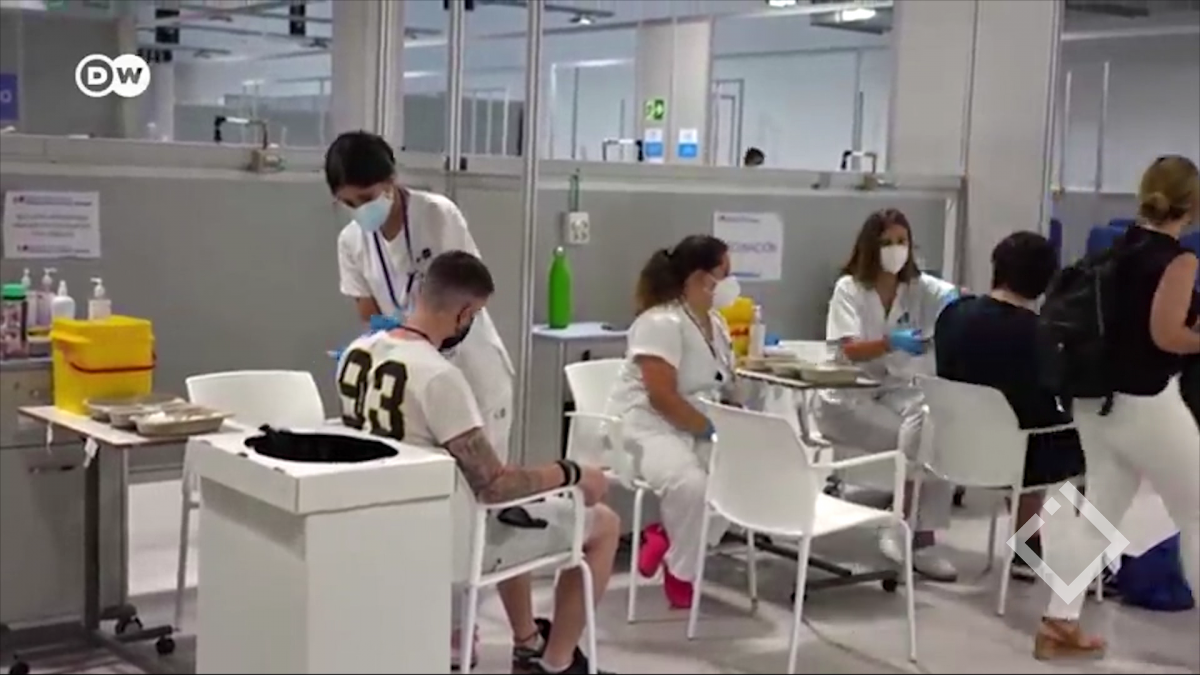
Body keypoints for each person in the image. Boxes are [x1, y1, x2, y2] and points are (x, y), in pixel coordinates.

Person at [337, 251, 620, 675]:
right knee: (603, 524)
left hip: (380, 524)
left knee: (523, 508)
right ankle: (557, 663)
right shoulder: (439, 377)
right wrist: (573, 472)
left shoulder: (355, 354)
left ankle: (528, 641)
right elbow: (496, 486)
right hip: (448, 540)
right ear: (466, 312)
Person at [324, 131, 513, 667]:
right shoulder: (352, 242)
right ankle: (416, 616)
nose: (361, 210)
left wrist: (419, 336)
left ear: (392, 181)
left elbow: (465, 293)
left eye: (369, 197)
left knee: (472, 505)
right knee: (419, 501)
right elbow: (367, 313)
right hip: (417, 371)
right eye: (349, 202)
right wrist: (385, 337)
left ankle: (461, 630)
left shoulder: (437, 215)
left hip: (467, 368)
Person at [1034, 156, 1200, 660]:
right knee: (1197, 514)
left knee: (1099, 515)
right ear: (1192, 206)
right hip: (1147, 404)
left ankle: (1058, 623)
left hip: (1095, 401)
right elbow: (1166, 335)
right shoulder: (1177, 260)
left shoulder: (1110, 249)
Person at [814, 208, 961, 581]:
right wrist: (889, 342)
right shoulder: (849, 289)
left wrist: (958, 305)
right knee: (926, 443)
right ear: (870, 246)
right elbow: (849, 350)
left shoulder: (917, 288)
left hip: (896, 391)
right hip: (848, 398)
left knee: (939, 432)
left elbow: (950, 297)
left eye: (902, 241)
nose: (896, 249)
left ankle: (912, 533)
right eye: (887, 242)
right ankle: (907, 529)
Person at [934, 231, 1086, 582]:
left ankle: (1027, 543)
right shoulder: (1038, 334)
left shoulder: (952, 314)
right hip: (1015, 456)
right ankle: (1073, 557)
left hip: (952, 449)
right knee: (1083, 443)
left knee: (1018, 427)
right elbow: (1051, 397)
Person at [605, 235, 740, 609]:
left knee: (739, 479)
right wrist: (708, 429)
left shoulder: (715, 323)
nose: (731, 283)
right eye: (724, 273)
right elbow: (661, 396)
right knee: (691, 485)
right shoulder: (660, 322)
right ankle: (680, 571)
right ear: (699, 277)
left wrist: (733, 419)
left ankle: (666, 537)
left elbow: (722, 380)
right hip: (646, 425)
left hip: (694, 421)